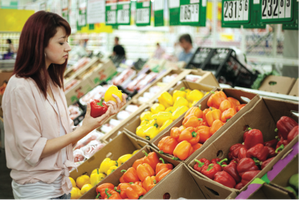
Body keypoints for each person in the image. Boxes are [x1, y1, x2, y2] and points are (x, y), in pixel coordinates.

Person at [2, 11, 126, 200]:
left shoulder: (53, 82)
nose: (68, 48)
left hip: (61, 186)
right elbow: (31, 150)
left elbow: (62, 139)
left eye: (67, 41)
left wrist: (93, 121)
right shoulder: (20, 87)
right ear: (40, 44)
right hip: (37, 191)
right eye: (61, 42)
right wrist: (82, 130)